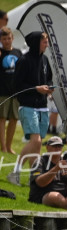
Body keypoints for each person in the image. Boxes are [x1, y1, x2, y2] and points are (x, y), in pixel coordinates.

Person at [9, 31, 52, 186]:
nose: (47, 45)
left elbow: (49, 79)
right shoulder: (24, 60)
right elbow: (16, 86)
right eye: (44, 42)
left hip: (42, 106)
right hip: (27, 106)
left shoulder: (45, 60)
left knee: (37, 144)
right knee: (36, 140)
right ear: (36, 43)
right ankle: (15, 172)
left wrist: (49, 88)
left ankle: (34, 178)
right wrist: (36, 89)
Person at [0, 27, 21, 155]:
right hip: (2, 91)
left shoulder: (18, 52)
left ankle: (9, 146)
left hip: (16, 92)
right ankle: (3, 147)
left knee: (14, 119)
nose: (7, 41)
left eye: (9, 38)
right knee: (1, 119)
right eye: (4, 39)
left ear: (12, 38)